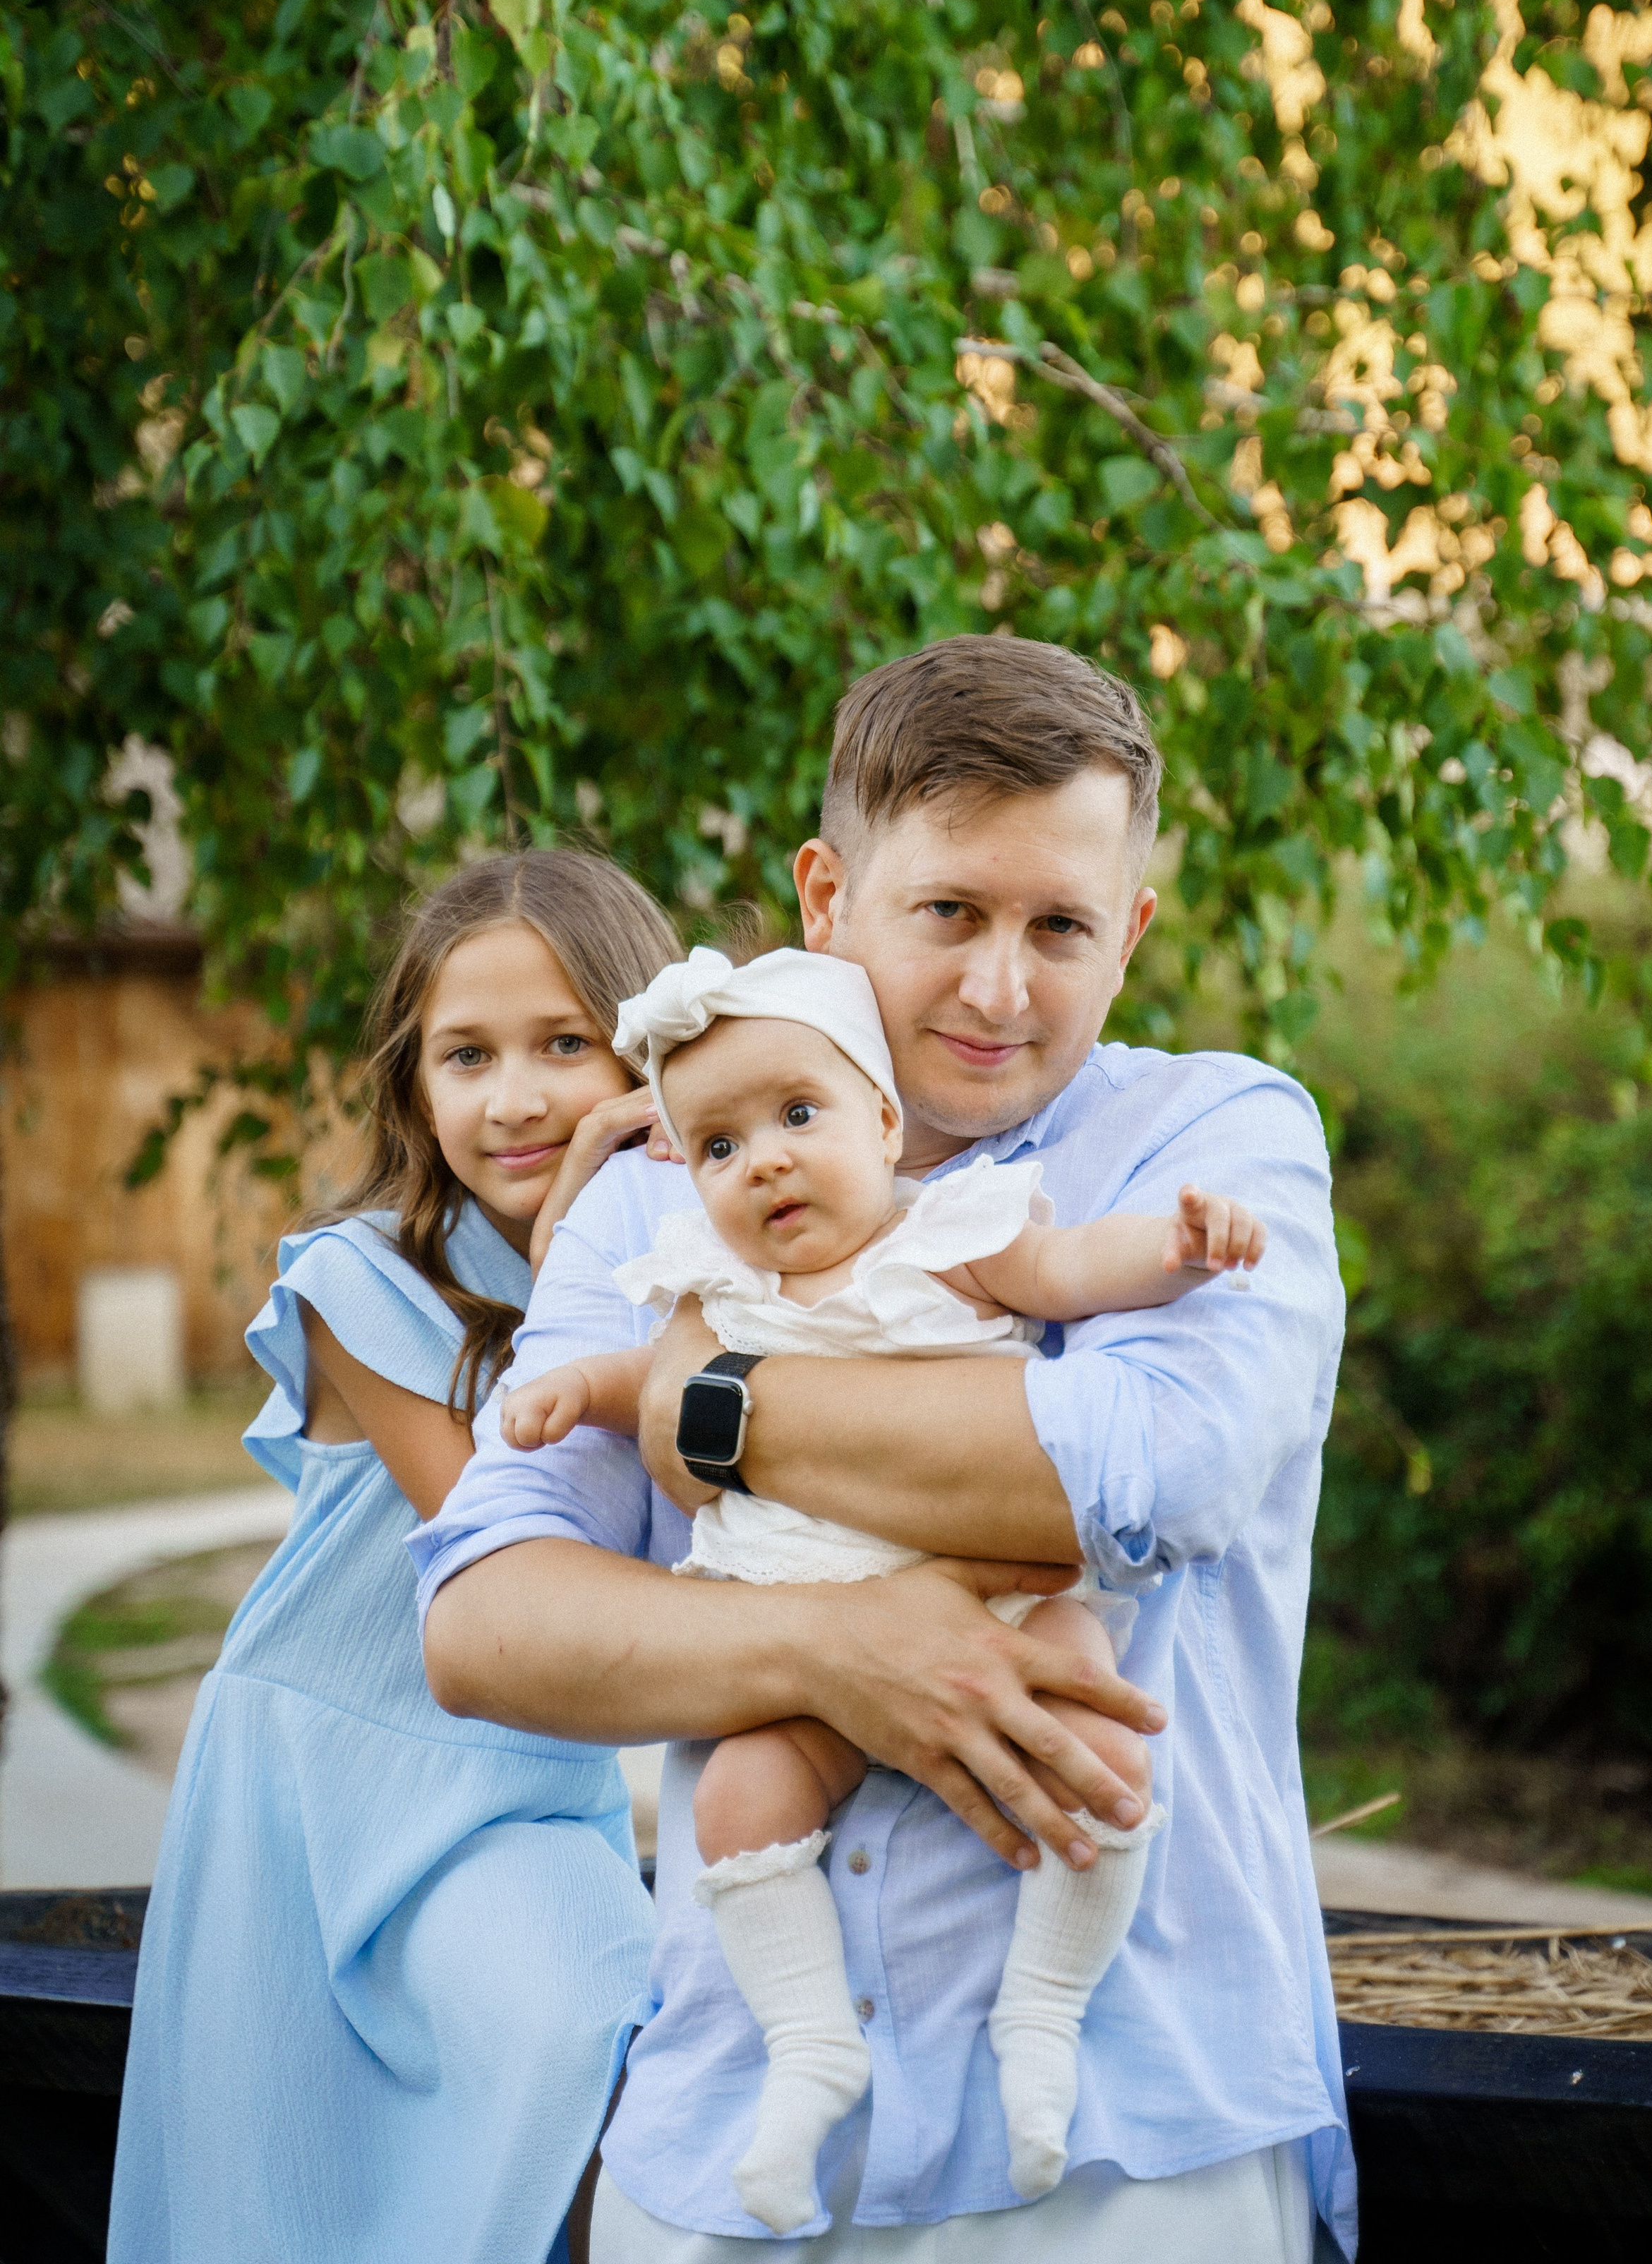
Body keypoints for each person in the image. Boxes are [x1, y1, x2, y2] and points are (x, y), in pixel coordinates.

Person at [416, 635, 1356, 2263]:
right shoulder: (653, 1189)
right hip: (730, 2154)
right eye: (948, 915)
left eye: (1059, 926)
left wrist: (694, 1406)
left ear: (1126, 933)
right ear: (824, 896)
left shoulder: (1214, 1142)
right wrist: (835, 1652)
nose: (1002, 988)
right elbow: (488, 1623)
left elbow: (1138, 1471)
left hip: (1121, 2160)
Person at [502, 942, 1265, 2229]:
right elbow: (648, 1387)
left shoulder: (957, 1235)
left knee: (1098, 1726)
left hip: (999, 1601)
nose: (769, 1162)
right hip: (802, 1600)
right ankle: (810, 2046)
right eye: (723, 1147)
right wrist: (571, 1389)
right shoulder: (715, 1286)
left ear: (883, 1120)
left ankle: (1044, 2014)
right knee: (741, 1798)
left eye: (799, 1116)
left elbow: (1080, 1273)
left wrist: (1183, 1247)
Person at [109, 851, 677, 2264]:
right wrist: (567, 1245)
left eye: (563, 1044)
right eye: (464, 1055)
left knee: (613, 2043)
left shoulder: (689, 1276)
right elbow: (507, 1555)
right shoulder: (353, 1283)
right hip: (331, 1782)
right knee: (292, 2191)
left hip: (525, 1794)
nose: (515, 1096)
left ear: (647, 1050)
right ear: (413, 1087)